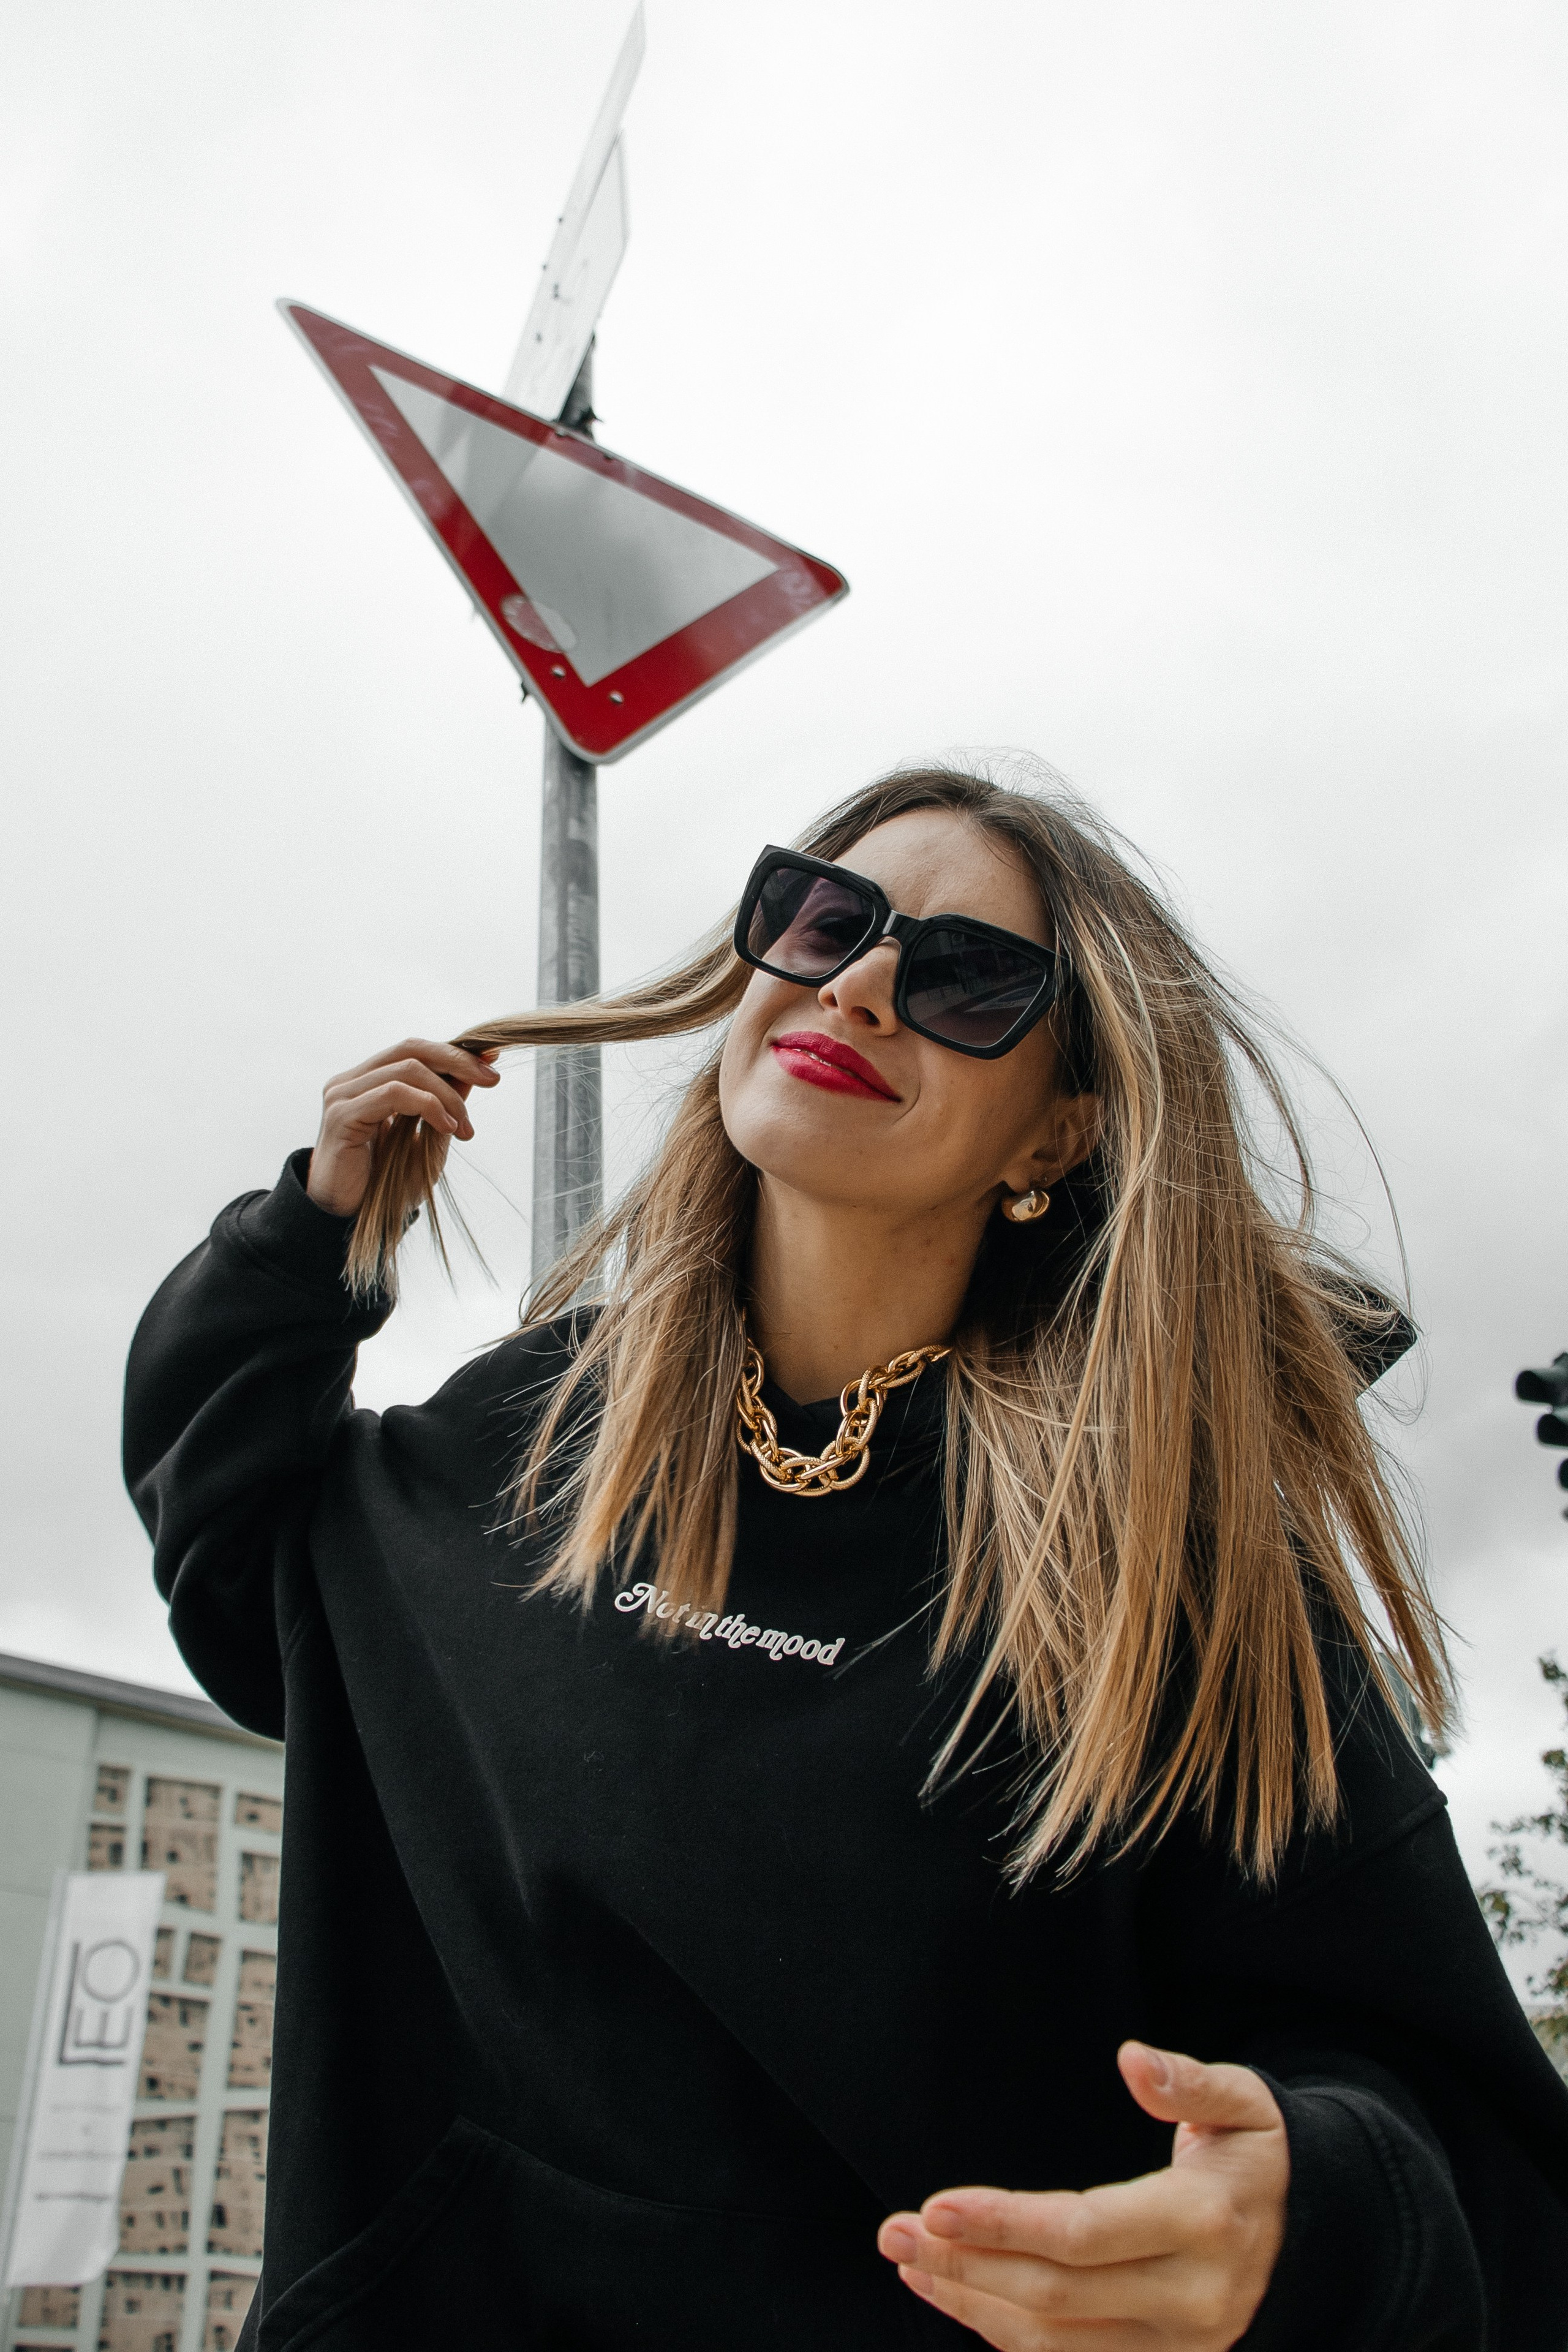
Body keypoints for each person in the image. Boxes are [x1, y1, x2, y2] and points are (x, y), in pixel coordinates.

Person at [124, 765, 1568, 2351]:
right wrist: (303, 1244)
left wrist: (1305, 2222)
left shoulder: (1160, 1567)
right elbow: (251, 1589)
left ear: (1061, 1128)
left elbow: (1464, 2140)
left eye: (969, 980)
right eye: (824, 922)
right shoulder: (528, 1434)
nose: (864, 983)